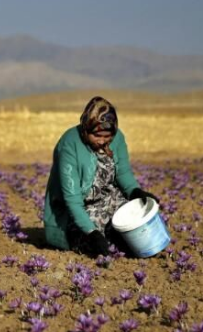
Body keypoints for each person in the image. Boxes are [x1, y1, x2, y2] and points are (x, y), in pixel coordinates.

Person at [43, 96, 158, 257]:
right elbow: (72, 200)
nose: (102, 141)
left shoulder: (118, 139)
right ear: (86, 128)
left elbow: (123, 173)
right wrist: (92, 233)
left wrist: (135, 192)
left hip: (108, 200)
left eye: (107, 136)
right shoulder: (69, 143)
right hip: (75, 212)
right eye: (97, 136)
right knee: (98, 245)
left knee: (139, 222)